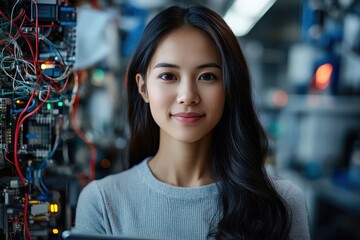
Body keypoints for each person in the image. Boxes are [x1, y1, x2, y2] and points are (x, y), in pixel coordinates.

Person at [75, 5, 310, 240]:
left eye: (207, 76)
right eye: (168, 76)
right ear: (143, 87)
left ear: (229, 87)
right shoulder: (102, 203)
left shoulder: (282, 203)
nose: (187, 95)